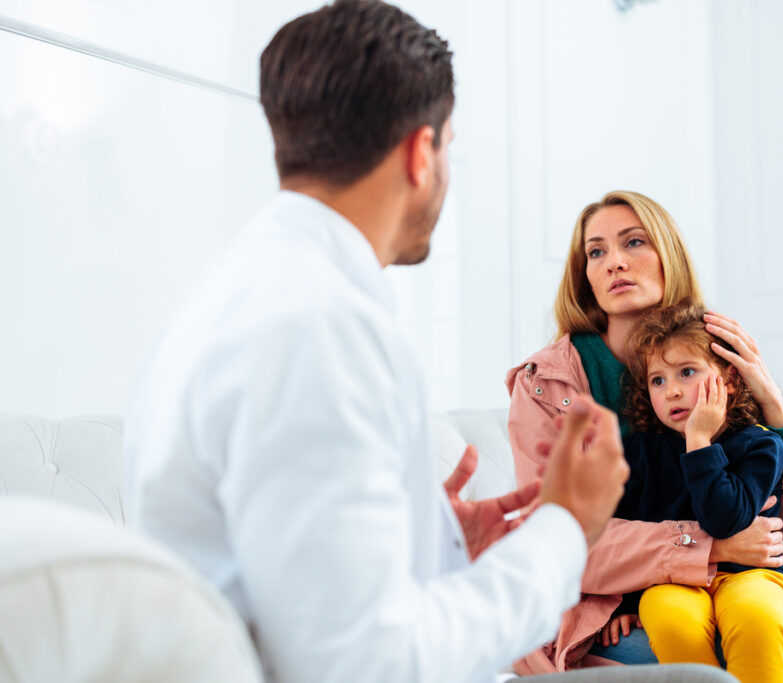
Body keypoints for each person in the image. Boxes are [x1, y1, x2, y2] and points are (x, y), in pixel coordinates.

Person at [121, 3, 645, 681]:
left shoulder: (237, 296)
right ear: (421, 153)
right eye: (450, 146)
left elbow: (304, 583)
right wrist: (566, 529)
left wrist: (433, 548)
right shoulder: (320, 327)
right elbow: (369, 663)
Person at [506, 190, 783, 681]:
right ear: (583, 275)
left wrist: (776, 410)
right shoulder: (545, 386)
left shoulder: (713, 352)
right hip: (605, 611)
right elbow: (554, 542)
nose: (614, 263)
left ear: (668, 255)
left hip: (737, 584)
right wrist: (711, 546)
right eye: (596, 251)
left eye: (634, 242)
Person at [616, 302, 783, 682]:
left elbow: (724, 518)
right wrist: (626, 605)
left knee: (757, 618)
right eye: (658, 380)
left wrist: (699, 441)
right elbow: (631, 521)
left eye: (687, 372)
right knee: (668, 617)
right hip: (672, 579)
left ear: (728, 380)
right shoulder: (642, 451)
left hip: (749, 575)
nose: (672, 391)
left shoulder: (760, 446)